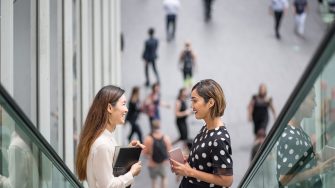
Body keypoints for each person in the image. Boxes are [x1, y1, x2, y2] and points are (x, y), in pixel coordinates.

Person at [75, 85, 144, 188]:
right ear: (110, 108)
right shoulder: (103, 145)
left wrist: (127, 154)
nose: (126, 110)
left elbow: (112, 173)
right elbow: (108, 186)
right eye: (123, 104)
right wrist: (132, 173)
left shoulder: (106, 139)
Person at [170, 79, 233, 188]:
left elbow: (227, 180)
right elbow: (207, 159)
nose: (191, 106)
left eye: (195, 101)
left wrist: (189, 172)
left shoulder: (219, 139)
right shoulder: (206, 128)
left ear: (210, 103)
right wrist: (190, 159)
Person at [276, 88, 335, 187]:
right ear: (301, 100)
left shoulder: (297, 129)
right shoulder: (291, 136)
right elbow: (283, 179)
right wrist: (318, 170)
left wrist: (316, 158)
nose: (315, 104)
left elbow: (298, 163)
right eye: (313, 99)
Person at [143, 120, 172, 188]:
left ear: (152, 127)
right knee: (164, 178)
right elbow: (170, 150)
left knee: (154, 181)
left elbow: (145, 153)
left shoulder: (148, 138)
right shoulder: (166, 137)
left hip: (152, 163)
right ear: (160, 126)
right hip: (163, 163)